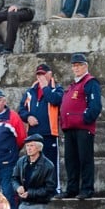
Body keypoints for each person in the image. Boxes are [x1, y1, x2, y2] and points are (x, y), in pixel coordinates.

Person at [59, 53, 102, 200]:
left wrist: (84, 119)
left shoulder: (90, 82)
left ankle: (87, 189)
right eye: (74, 65)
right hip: (70, 128)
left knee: (85, 159)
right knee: (71, 160)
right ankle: (72, 189)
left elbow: (95, 106)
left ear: (85, 66)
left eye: (79, 65)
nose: (76, 68)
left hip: (83, 127)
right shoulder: (73, 85)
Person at [18, 63, 63, 192]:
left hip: (50, 133)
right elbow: (21, 109)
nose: (40, 77)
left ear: (50, 74)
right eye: (38, 74)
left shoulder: (57, 89)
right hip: (33, 133)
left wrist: (45, 87)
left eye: (43, 74)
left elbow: (55, 100)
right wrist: (28, 117)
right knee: (33, 162)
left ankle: (54, 189)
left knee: (51, 163)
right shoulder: (30, 92)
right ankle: (35, 189)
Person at [10, 133, 57, 209]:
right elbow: (14, 178)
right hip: (24, 204)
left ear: (38, 148)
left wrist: (30, 193)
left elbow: (50, 189)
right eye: (27, 146)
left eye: (31, 146)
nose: (29, 148)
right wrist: (18, 187)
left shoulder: (48, 165)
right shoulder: (22, 161)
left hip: (39, 205)